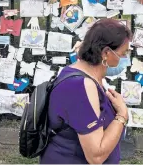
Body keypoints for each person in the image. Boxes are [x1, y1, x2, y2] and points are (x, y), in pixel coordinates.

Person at [40, 18, 132, 164]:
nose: (125, 59)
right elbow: (95, 156)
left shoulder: (82, 74)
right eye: (123, 53)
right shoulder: (80, 87)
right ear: (106, 53)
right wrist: (122, 115)